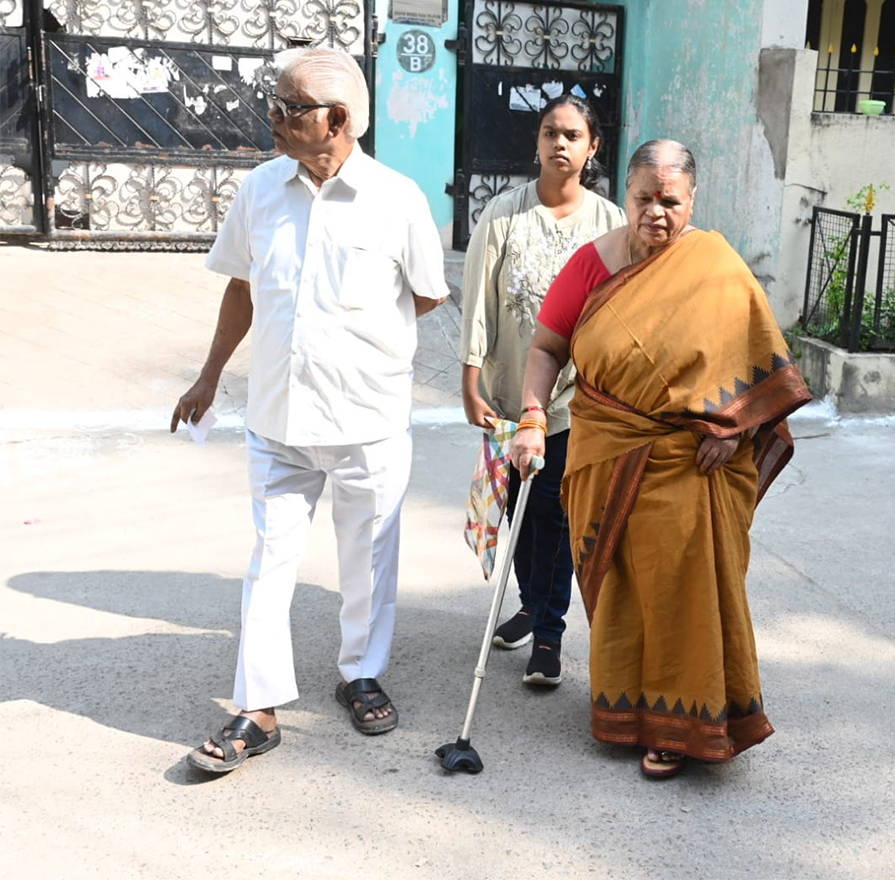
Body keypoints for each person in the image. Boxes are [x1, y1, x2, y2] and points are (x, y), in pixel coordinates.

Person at [171, 46, 448, 773]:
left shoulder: (398, 199)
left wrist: (359, 340)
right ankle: (258, 708)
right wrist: (208, 376)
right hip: (278, 417)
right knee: (269, 564)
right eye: (277, 102)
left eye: (290, 108)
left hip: (367, 421)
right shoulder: (260, 190)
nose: (273, 116)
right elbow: (241, 288)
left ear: (338, 119)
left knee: (368, 562)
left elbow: (426, 294)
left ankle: (361, 674)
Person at [509, 140, 811, 779]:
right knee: (622, 588)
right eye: (643, 198)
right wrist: (533, 418)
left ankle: (682, 723)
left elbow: (758, 364)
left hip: (692, 464)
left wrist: (736, 428)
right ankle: (627, 708)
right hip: (606, 451)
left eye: (669, 201)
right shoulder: (591, 265)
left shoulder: (716, 266)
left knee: (683, 592)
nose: (655, 212)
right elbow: (546, 348)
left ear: (691, 200)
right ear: (625, 194)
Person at [459, 95, 625, 686]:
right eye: (550, 132)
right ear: (536, 141)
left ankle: (549, 634)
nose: (560, 143)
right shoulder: (503, 214)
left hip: (574, 401)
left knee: (553, 515)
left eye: (573, 135)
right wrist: (470, 380)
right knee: (517, 512)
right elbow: (477, 300)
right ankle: (532, 603)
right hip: (509, 392)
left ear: (592, 147)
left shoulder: (611, 224)